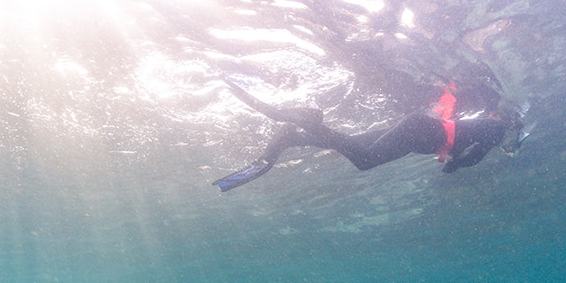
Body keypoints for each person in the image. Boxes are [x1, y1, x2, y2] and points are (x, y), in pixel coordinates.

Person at [213, 66, 524, 192]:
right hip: (422, 133)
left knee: (351, 143)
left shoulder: (484, 123)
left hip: (420, 127)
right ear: (509, 121)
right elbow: (467, 161)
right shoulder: (495, 130)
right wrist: (455, 166)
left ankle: (292, 136)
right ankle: (309, 122)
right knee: (364, 160)